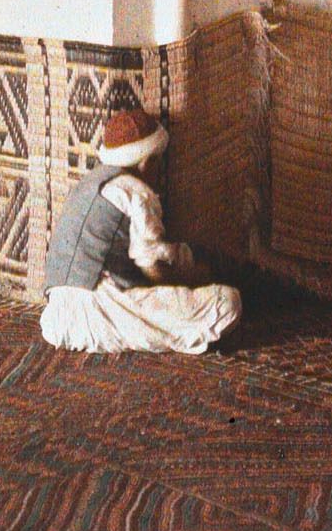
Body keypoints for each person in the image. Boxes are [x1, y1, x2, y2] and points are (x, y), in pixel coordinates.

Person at [39, 106, 242, 355]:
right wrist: (195, 280)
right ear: (148, 161)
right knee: (226, 302)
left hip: (55, 318)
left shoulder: (87, 183)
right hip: (101, 313)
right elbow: (153, 268)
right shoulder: (138, 192)